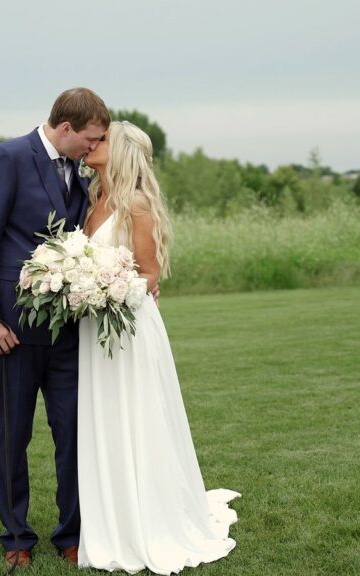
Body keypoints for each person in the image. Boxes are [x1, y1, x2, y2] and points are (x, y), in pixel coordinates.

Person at [77, 121, 240, 574]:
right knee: (105, 419)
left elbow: (149, 274)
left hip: (126, 326)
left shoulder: (137, 204)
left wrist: (104, 288)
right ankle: (111, 520)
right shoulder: (94, 198)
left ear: (122, 151)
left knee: (138, 418)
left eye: (103, 139)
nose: (94, 144)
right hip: (95, 330)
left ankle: (149, 522)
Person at [0, 88, 110, 568]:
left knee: (73, 433)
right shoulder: (7, 158)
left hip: (67, 330)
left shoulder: (79, 172)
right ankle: (17, 539)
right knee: (13, 436)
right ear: (65, 128)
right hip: (11, 330)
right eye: (89, 139)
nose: (93, 148)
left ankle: (71, 533)